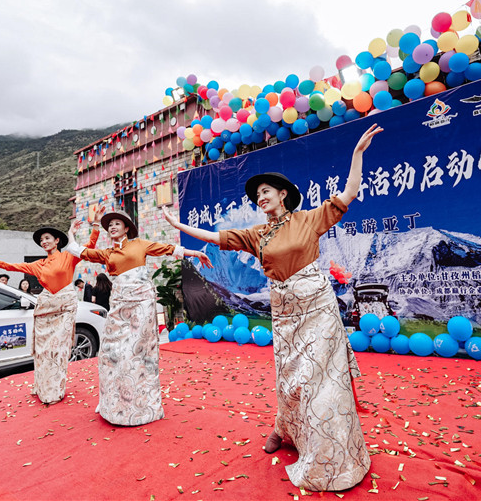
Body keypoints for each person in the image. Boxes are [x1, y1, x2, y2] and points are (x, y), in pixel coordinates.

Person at [162, 123, 383, 491]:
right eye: (256, 195)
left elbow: (349, 192)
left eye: (265, 192)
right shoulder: (256, 234)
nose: (260, 197)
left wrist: (357, 154)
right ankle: (285, 428)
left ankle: (330, 453)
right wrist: (179, 225)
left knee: (321, 380)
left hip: (318, 309)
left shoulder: (308, 219)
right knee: (291, 379)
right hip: (285, 315)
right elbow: (215, 237)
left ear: (283, 194)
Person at [68, 209, 211, 426]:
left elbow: (169, 249)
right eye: (110, 225)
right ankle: (111, 400)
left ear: (127, 228)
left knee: (137, 353)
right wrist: (73, 232)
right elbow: (78, 251)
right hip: (119, 307)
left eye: (117, 224)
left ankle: (142, 404)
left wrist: (195, 253)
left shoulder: (140, 244)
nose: (113, 227)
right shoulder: (107, 253)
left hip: (141, 306)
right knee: (109, 353)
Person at [0, 209, 104, 405]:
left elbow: (89, 246)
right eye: (41, 240)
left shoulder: (69, 257)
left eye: (47, 238)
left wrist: (96, 224)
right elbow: (15, 266)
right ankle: (42, 386)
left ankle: (54, 390)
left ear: (57, 240)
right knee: (43, 352)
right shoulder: (38, 264)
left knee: (58, 350)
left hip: (64, 310)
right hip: (45, 312)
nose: (44, 242)